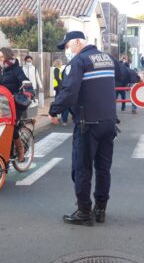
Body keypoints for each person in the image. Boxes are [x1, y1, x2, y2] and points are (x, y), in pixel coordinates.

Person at [49, 31, 122, 226]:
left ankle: (83, 212)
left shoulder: (79, 62)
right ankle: (100, 210)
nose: (67, 50)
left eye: (67, 46)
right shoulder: (106, 58)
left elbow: (69, 91)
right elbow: (124, 73)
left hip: (87, 125)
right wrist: (139, 78)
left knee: (81, 169)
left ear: (78, 42)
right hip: (109, 124)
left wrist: (54, 110)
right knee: (103, 169)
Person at [0, 47, 29, 162]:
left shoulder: (16, 69)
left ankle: (20, 148)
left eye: (2, 57)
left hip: (14, 103)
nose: (0, 59)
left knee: (10, 126)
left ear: (8, 57)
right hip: (1, 102)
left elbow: (25, 82)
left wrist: (25, 92)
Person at [53, 59, 69, 126]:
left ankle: (56, 116)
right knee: (58, 102)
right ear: (58, 63)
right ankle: (55, 116)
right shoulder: (56, 69)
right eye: (60, 63)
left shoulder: (58, 70)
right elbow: (57, 78)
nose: (61, 64)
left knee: (58, 102)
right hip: (58, 88)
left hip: (58, 87)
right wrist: (62, 83)